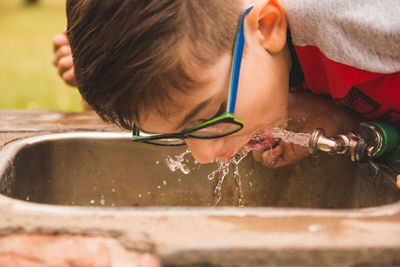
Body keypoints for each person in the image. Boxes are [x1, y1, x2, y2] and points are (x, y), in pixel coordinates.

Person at [59, 0, 399, 168]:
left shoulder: (365, 22)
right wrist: (340, 116)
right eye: (178, 134)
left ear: (266, 26)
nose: (204, 156)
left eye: (213, 113)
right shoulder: (258, 58)